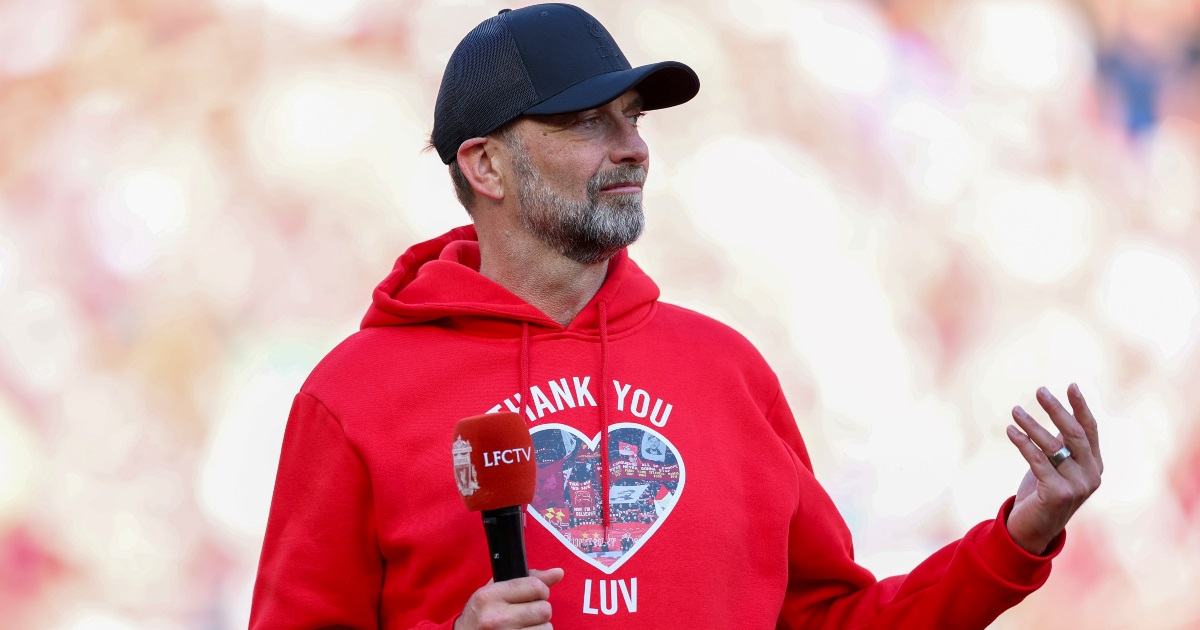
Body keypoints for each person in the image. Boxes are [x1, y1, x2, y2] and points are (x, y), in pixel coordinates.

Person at [250, 4, 1104, 629]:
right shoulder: (354, 397)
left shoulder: (726, 370)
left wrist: (1016, 540)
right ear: (486, 166)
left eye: (632, 119)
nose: (632, 147)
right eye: (587, 123)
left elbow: (829, 619)